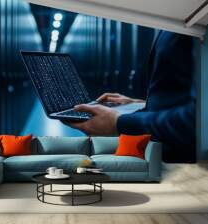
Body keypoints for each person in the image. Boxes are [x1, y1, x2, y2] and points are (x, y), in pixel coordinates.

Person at [65, 31, 196, 163]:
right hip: (163, 154)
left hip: (186, 165)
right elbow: (180, 93)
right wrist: (139, 104)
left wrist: (118, 123)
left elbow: (197, 120)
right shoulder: (175, 25)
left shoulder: (198, 25)